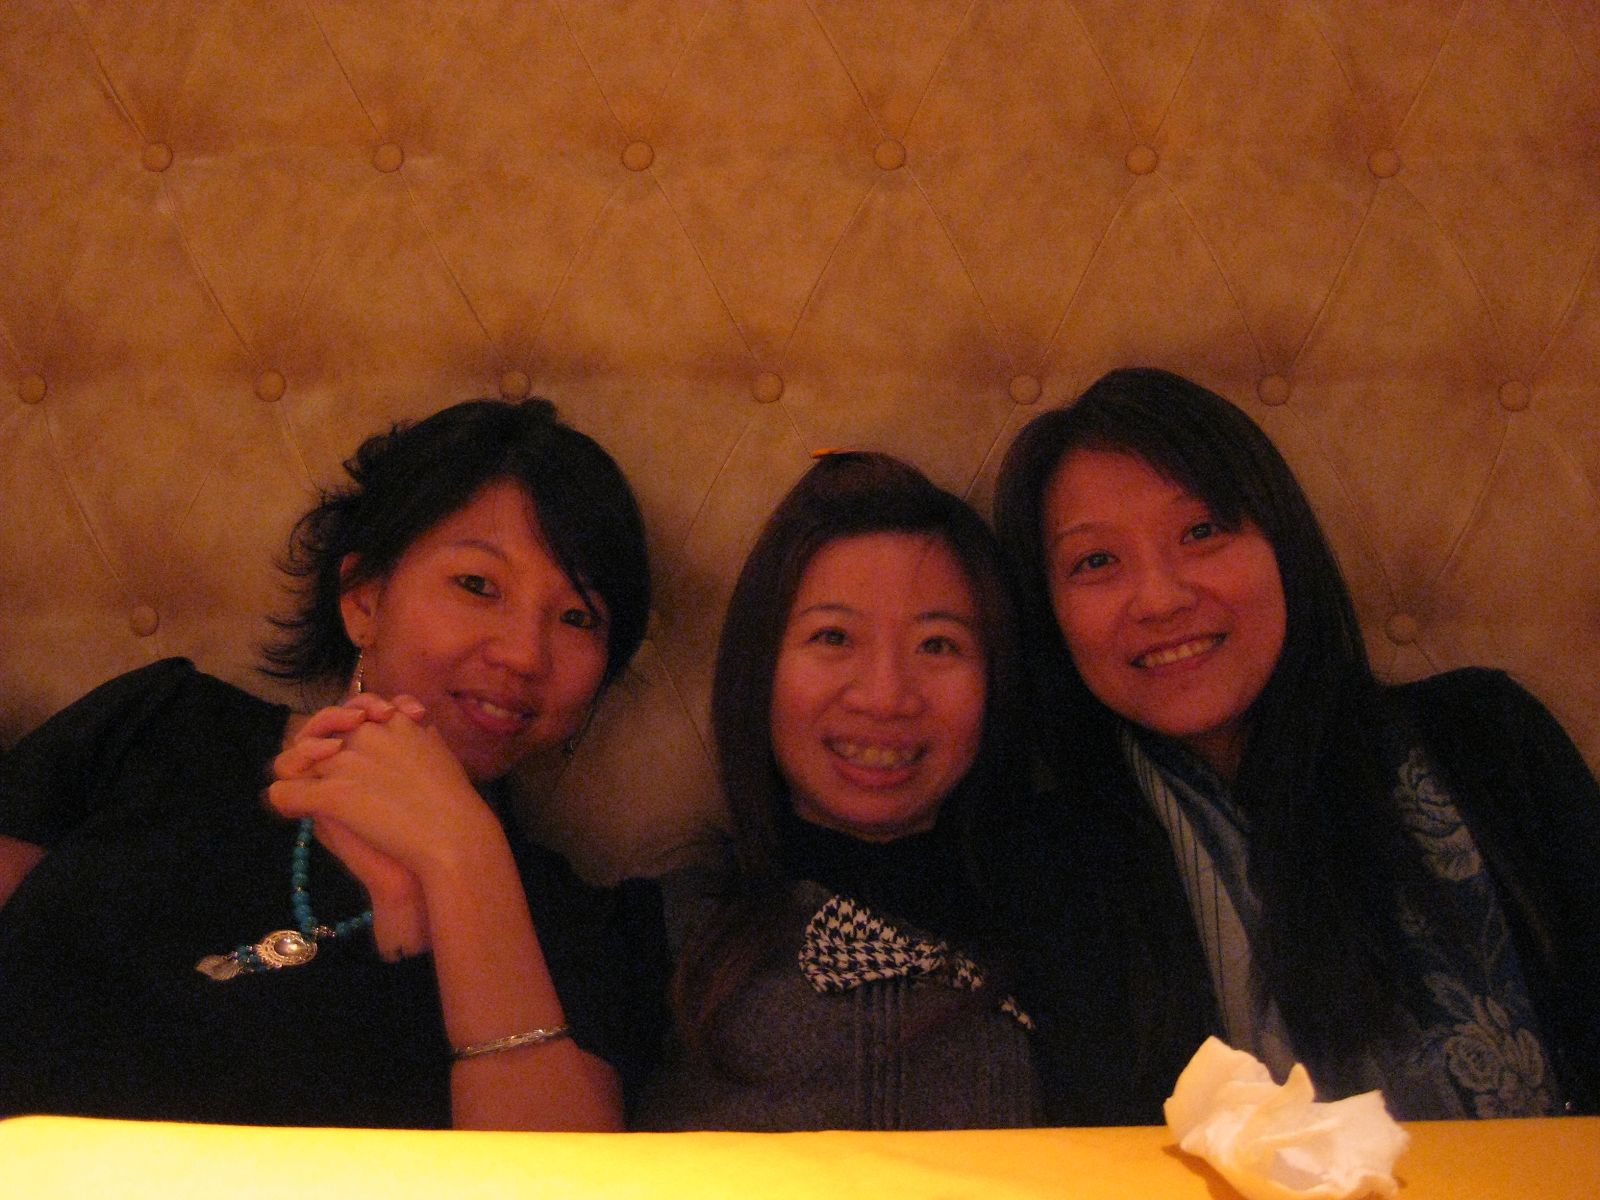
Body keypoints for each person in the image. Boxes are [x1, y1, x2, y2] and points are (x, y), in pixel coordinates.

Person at [0, 397, 669, 1130]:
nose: (524, 654)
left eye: (577, 617)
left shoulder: (587, 928)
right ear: (363, 601)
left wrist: (464, 858)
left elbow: (555, 1175)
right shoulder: (160, 724)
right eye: (478, 585)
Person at [991, 366, 1600, 1123]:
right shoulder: (1042, 863)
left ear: (1282, 542)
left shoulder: (1487, 740)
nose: (1161, 597)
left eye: (1201, 532)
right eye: (1096, 562)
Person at [634, 451, 1041, 1131]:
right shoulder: (658, 930)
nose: (885, 696)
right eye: (833, 637)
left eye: (937, 645)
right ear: (761, 668)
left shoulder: (1075, 917)